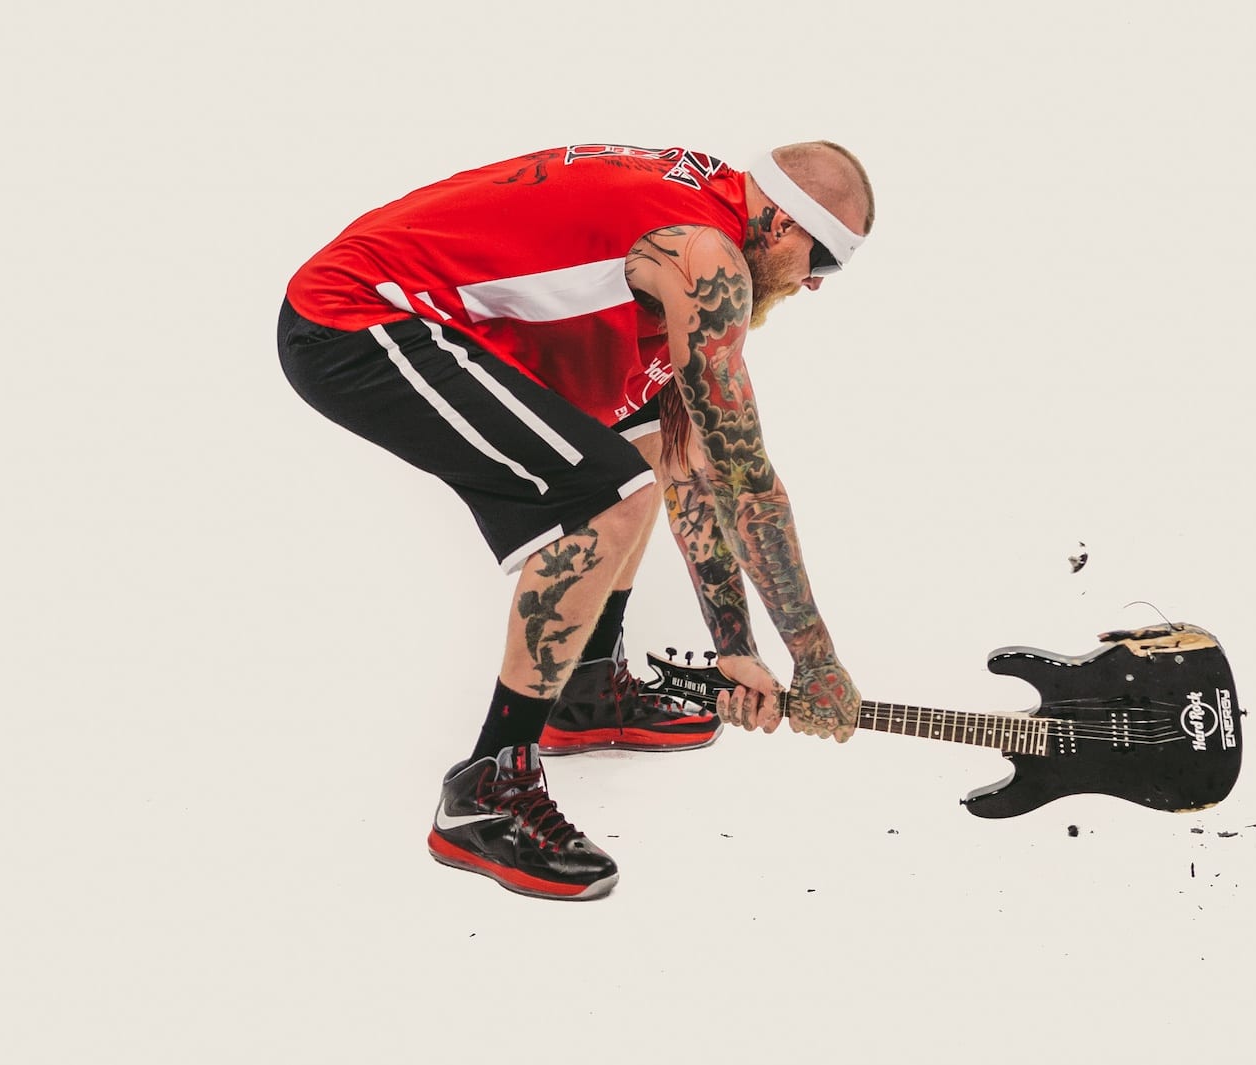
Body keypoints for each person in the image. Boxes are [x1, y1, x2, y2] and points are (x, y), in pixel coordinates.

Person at [279, 141, 872, 900]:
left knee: (646, 454)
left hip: (430, 317)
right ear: (783, 226)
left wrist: (737, 649)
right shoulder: (706, 259)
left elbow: (690, 469)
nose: (813, 286)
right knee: (607, 495)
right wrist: (816, 661)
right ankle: (488, 788)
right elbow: (745, 482)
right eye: (821, 263)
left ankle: (585, 686)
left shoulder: (706, 216)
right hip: (353, 317)